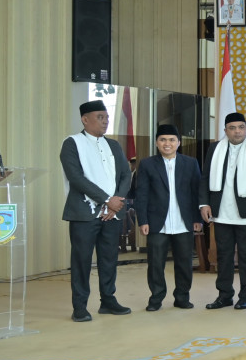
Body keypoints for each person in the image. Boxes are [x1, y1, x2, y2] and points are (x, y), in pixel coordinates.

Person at [60, 100, 133, 322]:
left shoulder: (113, 145)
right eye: (100, 117)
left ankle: (108, 301)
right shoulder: (72, 143)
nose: (105, 121)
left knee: (109, 258)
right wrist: (107, 200)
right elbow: (76, 178)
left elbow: (126, 175)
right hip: (84, 213)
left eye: (107, 117)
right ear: (85, 119)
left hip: (112, 213)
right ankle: (80, 307)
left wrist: (117, 201)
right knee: (81, 260)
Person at [201, 112, 246, 311]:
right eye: (232, 128)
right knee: (224, 255)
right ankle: (224, 295)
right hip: (221, 212)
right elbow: (205, 177)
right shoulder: (214, 149)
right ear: (225, 130)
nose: (237, 131)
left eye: (241, 127)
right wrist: (204, 204)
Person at [134, 124, 202, 312]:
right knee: (155, 264)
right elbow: (142, 194)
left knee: (184, 263)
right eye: (163, 139)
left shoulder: (190, 163)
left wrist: (197, 218)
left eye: (172, 140)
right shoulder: (147, 164)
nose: (167, 143)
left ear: (178, 143)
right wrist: (143, 220)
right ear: (157, 143)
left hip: (184, 222)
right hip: (157, 223)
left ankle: (182, 297)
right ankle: (156, 298)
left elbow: (196, 192)